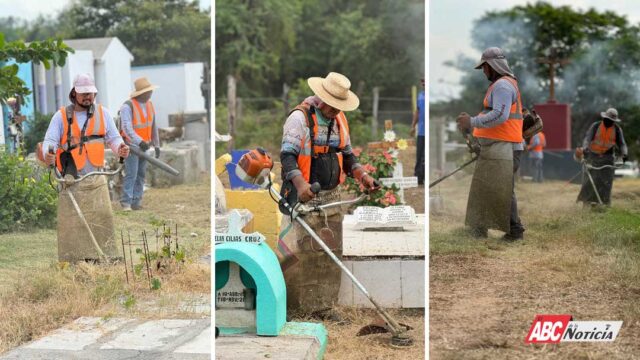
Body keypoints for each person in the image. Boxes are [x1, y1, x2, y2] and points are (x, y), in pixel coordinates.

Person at [278, 72, 380, 315]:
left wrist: (363, 176)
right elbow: (287, 156)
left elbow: (348, 157)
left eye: (339, 107)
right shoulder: (299, 119)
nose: (336, 111)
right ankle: (296, 307)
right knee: (302, 252)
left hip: (331, 198)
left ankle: (324, 306)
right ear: (321, 98)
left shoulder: (340, 120)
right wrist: (301, 185)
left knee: (330, 252)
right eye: (333, 106)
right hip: (303, 197)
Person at [42, 73, 130, 262]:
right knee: (73, 225)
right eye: (83, 94)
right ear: (74, 94)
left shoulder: (103, 113)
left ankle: (106, 257)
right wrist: (48, 153)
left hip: (97, 177)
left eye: (90, 93)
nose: (88, 97)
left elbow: (113, 138)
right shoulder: (61, 116)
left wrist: (120, 148)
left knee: (102, 219)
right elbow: (49, 141)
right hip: (71, 180)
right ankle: (75, 261)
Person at [456, 47, 525, 241]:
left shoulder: (503, 86)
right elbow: (490, 114)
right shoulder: (501, 85)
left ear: (493, 66)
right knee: (486, 185)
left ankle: (515, 230)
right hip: (499, 145)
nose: (484, 71)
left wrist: (472, 122)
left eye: (484, 67)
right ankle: (479, 227)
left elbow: (500, 116)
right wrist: (471, 123)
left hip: (506, 146)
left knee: (502, 188)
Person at [119, 77, 161, 211]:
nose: (151, 93)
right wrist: (139, 141)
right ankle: (126, 202)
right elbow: (126, 128)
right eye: (148, 91)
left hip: (145, 146)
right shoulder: (127, 106)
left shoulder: (150, 105)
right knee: (132, 173)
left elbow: (153, 126)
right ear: (141, 93)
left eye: (151, 91)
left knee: (141, 174)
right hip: (132, 147)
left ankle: (136, 201)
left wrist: (157, 144)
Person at [576, 108, 628, 206]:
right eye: (608, 119)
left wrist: (624, 155)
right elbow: (587, 139)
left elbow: (622, 144)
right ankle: (587, 202)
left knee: (606, 181)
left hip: (607, 157)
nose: (609, 122)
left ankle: (604, 203)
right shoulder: (595, 126)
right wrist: (585, 149)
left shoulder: (617, 130)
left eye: (612, 121)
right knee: (590, 180)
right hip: (592, 155)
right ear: (604, 118)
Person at [410, 78, 426, 185]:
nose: (424, 84)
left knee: (426, 155)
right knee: (419, 155)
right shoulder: (420, 96)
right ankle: (418, 178)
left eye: (426, 82)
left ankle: (425, 176)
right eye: (423, 83)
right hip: (421, 131)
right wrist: (413, 126)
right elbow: (417, 112)